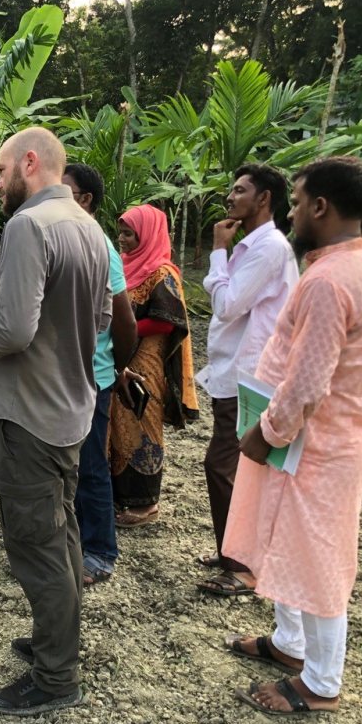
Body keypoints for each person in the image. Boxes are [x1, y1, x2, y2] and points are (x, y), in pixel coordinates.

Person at [224, 156, 362, 717]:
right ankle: (289, 643)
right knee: (289, 541)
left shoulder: (329, 279)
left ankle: (321, 682)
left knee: (320, 553)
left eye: (297, 203)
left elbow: (306, 385)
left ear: (320, 207)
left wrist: (264, 433)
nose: (292, 213)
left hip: (319, 441)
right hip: (333, 435)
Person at [0, 127, 112, 716]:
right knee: (62, 532)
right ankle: (56, 640)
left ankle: (56, 677)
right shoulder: (89, 227)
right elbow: (97, 319)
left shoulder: (28, 227)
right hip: (72, 408)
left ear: (29, 162)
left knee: (35, 545)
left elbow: (13, 333)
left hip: (29, 416)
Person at [195, 164, 299, 597]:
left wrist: (218, 251)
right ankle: (232, 552)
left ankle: (241, 565)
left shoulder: (268, 248)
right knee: (234, 467)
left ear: (264, 200)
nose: (230, 197)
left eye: (239, 191)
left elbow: (227, 305)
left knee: (224, 466)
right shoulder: (255, 246)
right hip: (237, 372)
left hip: (250, 375)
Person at [62, 163, 138, 585]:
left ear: (86, 200)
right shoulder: (69, 237)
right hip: (70, 374)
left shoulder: (100, 246)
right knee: (70, 465)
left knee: (91, 465)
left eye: (65, 192)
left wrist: (116, 366)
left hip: (93, 377)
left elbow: (125, 322)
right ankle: (75, 543)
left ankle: (101, 551)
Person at [108, 204, 199, 527]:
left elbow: (167, 321)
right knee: (117, 426)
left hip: (146, 361)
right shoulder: (123, 266)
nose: (122, 239)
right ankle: (120, 496)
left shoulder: (162, 273)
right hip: (120, 356)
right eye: (120, 232)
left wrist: (123, 328)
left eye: (129, 233)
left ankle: (146, 503)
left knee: (142, 425)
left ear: (146, 235)